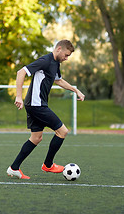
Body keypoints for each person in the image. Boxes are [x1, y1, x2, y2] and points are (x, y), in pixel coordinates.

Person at [7, 40, 85, 179]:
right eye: (66, 55)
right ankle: (48, 165)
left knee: (36, 138)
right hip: (36, 105)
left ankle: (14, 168)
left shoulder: (56, 64)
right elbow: (21, 72)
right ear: (59, 49)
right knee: (63, 131)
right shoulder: (45, 60)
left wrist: (75, 90)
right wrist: (18, 96)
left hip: (37, 104)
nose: (66, 58)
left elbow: (59, 80)